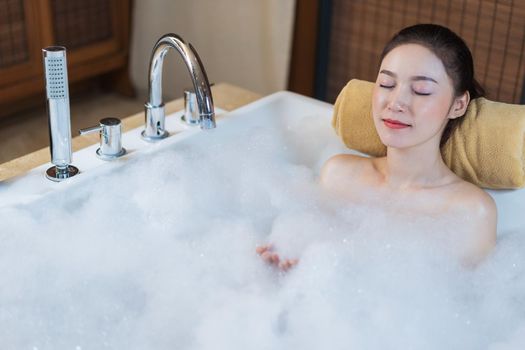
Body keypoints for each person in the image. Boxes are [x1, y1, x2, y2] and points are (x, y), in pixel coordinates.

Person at [257, 24, 497, 269]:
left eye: (421, 90)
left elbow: (459, 301)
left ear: (458, 104)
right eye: (386, 84)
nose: (396, 102)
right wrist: (289, 263)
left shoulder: (469, 212)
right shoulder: (339, 175)